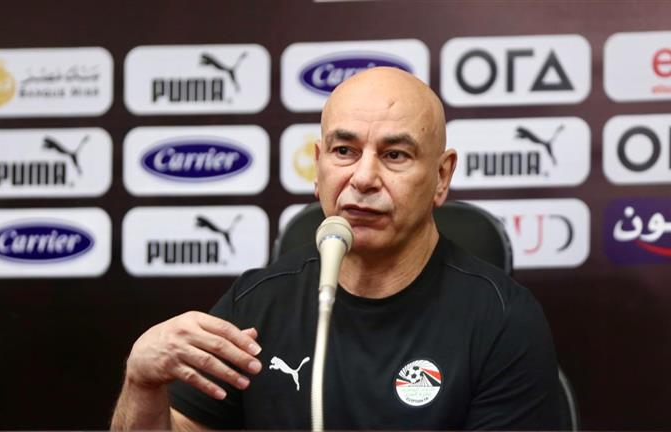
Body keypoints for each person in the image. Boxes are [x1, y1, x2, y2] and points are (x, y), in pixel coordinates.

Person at [111, 67, 561, 430]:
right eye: (344, 150)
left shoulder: (503, 320)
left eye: (395, 155)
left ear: (441, 177)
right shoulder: (256, 304)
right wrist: (142, 384)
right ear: (318, 165)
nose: (363, 178)